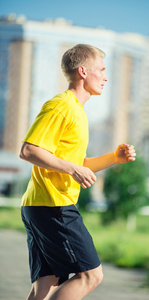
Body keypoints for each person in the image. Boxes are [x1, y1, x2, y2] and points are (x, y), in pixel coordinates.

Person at [19, 44, 136, 300]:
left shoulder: (78, 112)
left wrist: (114, 158)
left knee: (46, 285)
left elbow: (76, 163)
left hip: (41, 206)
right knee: (90, 275)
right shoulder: (62, 106)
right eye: (102, 70)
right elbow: (29, 151)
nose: (106, 77)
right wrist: (73, 169)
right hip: (53, 205)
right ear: (83, 71)